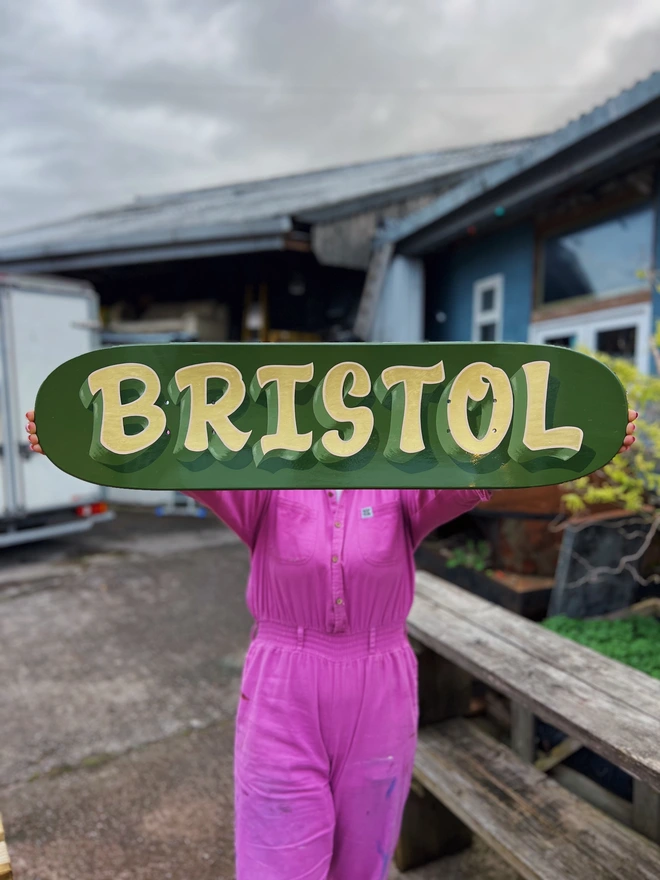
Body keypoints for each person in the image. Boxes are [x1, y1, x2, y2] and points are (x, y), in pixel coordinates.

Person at [25, 409, 637, 879]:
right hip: (281, 690)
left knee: (363, 863)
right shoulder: (265, 481)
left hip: (382, 689)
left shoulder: (401, 483)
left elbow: (485, 465)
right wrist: (78, 437)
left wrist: (585, 436)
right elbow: (179, 457)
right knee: (278, 862)